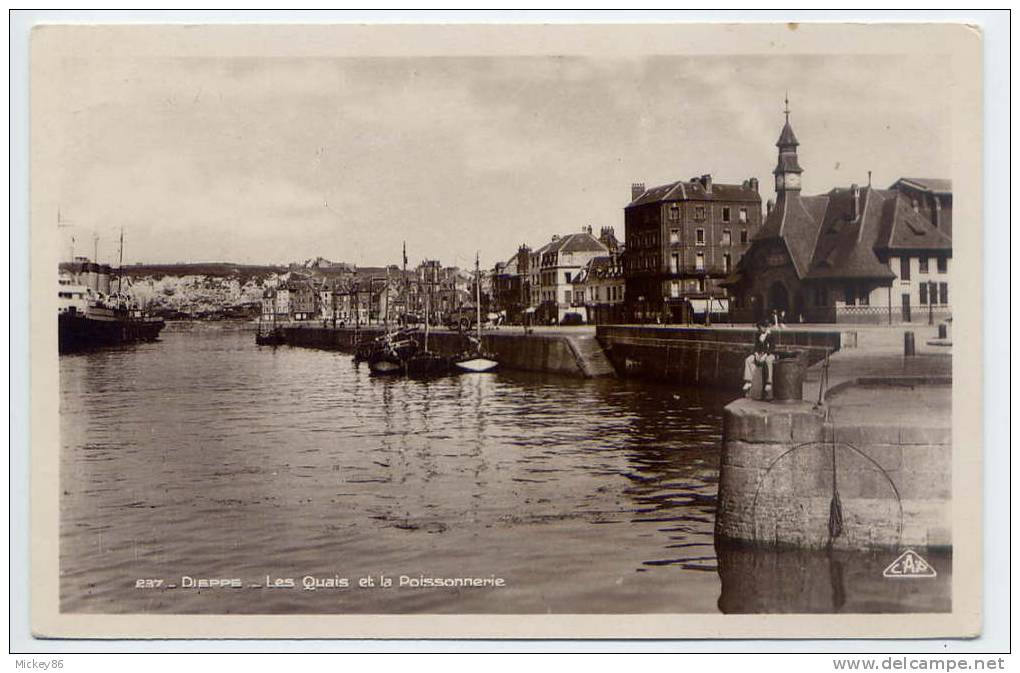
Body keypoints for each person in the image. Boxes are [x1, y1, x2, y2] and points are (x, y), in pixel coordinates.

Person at [743, 320, 776, 395]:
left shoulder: (771, 335)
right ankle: (748, 381)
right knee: (748, 360)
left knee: (768, 361)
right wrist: (756, 354)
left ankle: (769, 382)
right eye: (760, 327)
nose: (762, 329)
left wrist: (765, 355)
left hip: (769, 354)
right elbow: (755, 347)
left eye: (764, 327)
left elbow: (772, 348)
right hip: (759, 354)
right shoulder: (758, 335)